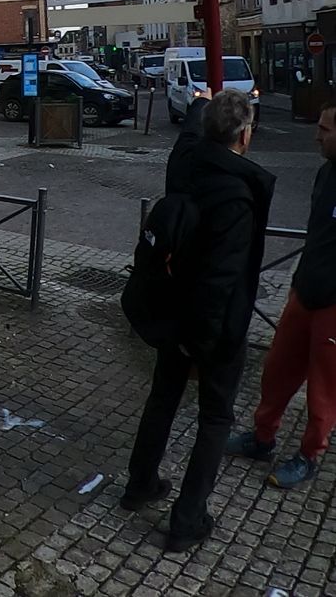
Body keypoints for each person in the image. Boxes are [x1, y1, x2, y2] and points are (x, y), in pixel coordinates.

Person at [121, 89, 273, 553]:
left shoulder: (186, 164)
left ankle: (141, 483)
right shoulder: (236, 197)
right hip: (212, 327)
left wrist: (198, 105)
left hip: (171, 309)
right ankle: (188, 519)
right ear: (245, 137)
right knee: (215, 416)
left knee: (164, 397)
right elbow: (220, 279)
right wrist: (200, 342)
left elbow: (187, 138)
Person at [225, 101, 336, 488]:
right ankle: (261, 437)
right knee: (277, 370)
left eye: (326, 129)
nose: (317, 135)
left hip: (333, 305)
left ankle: (309, 455)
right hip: (305, 290)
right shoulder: (325, 174)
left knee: (324, 388)